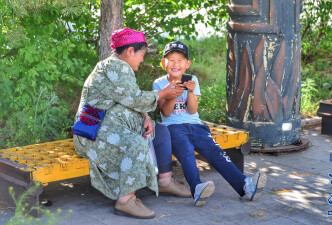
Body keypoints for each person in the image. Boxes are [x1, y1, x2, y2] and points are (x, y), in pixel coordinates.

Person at [73, 28, 190, 219]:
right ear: (129, 52)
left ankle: (165, 181)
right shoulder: (116, 68)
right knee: (135, 143)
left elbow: (126, 97)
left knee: (158, 131)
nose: (142, 60)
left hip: (109, 121)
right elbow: (134, 98)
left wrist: (145, 116)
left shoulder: (117, 66)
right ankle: (125, 201)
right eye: (141, 55)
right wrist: (163, 94)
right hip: (91, 130)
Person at [153, 41, 267, 207]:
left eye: (180, 60)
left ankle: (245, 186)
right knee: (186, 152)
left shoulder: (193, 80)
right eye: (171, 60)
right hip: (173, 128)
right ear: (164, 63)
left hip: (196, 126)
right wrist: (173, 94)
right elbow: (165, 113)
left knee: (216, 152)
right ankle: (197, 188)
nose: (175, 64)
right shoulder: (159, 84)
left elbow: (192, 110)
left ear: (187, 64)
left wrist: (190, 92)